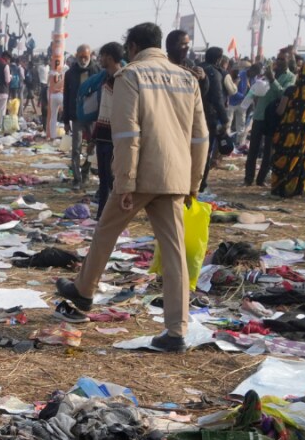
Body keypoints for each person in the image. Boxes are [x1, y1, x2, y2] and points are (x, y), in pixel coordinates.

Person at [56, 22, 207, 353]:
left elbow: (127, 134)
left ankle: (84, 290)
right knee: (174, 253)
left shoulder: (131, 76)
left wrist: (124, 181)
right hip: (175, 177)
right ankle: (176, 331)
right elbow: (200, 137)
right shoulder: (186, 79)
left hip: (140, 176)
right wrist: (193, 182)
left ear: (134, 47)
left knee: (107, 231)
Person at [269, 62, 305, 198]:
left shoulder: (291, 90)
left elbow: (280, 111)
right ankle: (297, 190)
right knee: (300, 159)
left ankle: (280, 189)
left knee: (283, 158)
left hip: (287, 132)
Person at [246, 56, 290, 187]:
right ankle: (248, 178)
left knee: (268, 151)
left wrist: (272, 80)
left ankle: (261, 179)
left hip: (273, 118)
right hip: (259, 115)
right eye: (278, 60)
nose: (279, 62)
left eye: (283, 60)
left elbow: (284, 94)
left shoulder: (290, 77)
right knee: (253, 148)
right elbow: (256, 90)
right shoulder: (267, 73)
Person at [92, 42, 125, 218]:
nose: (100, 59)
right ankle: (102, 215)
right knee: (103, 179)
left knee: (113, 179)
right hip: (102, 135)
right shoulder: (106, 77)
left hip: (115, 137)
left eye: (102, 56)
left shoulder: (122, 79)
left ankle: (113, 215)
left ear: (110, 58)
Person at [63, 44, 95, 186]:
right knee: (76, 148)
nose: (83, 60)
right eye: (80, 57)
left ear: (90, 56)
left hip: (93, 115)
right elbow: (67, 96)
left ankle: (86, 172)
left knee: (92, 147)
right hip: (76, 116)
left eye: (85, 57)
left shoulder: (97, 71)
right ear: (76, 56)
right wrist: (65, 120)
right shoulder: (70, 73)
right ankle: (77, 178)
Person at [199, 47, 229, 191]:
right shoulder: (214, 73)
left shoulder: (197, 68)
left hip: (190, 115)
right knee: (205, 152)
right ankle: (201, 184)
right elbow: (217, 98)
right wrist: (225, 119)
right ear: (219, 59)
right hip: (207, 117)